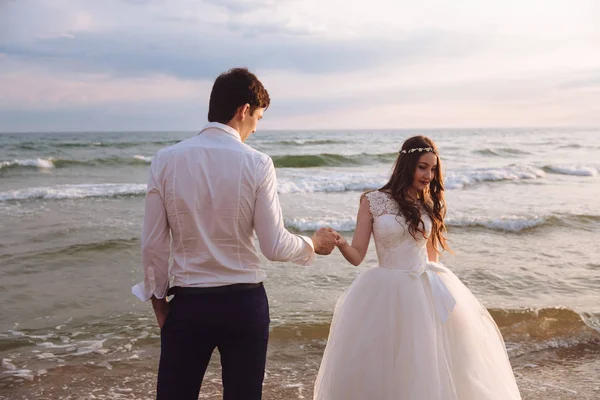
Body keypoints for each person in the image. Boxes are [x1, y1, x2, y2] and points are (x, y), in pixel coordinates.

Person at [131, 67, 338, 400]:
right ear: (243, 110)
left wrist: (160, 307)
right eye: (258, 117)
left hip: (189, 304)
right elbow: (273, 245)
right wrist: (313, 243)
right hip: (244, 304)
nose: (256, 127)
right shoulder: (257, 163)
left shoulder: (165, 161)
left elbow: (153, 245)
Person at [313, 136, 522, 399]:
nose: (429, 175)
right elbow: (357, 256)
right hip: (385, 291)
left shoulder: (429, 204)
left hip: (426, 291)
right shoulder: (373, 201)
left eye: (433, 169)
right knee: (383, 366)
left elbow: (432, 258)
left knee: (432, 364)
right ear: (407, 164)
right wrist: (341, 242)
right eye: (423, 167)